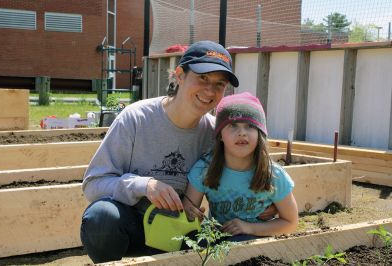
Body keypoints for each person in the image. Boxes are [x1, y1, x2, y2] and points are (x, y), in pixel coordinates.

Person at [80, 40, 239, 263]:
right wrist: (144, 185)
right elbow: (93, 184)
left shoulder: (214, 134)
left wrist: (262, 205)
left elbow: (237, 180)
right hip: (131, 226)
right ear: (180, 75)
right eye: (202, 78)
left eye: (219, 84)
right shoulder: (136, 118)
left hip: (180, 230)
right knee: (101, 219)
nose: (210, 90)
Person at [183, 92, 298, 242]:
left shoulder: (273, 174)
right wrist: (191, 216)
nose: (242, 133)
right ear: (220, 135)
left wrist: (248, 228)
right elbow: (187, 214)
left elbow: (291, 223)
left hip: (258, 246)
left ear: (259, 134)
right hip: (217, 241)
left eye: (250, 126)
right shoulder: (203, 169)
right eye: (233, 126)